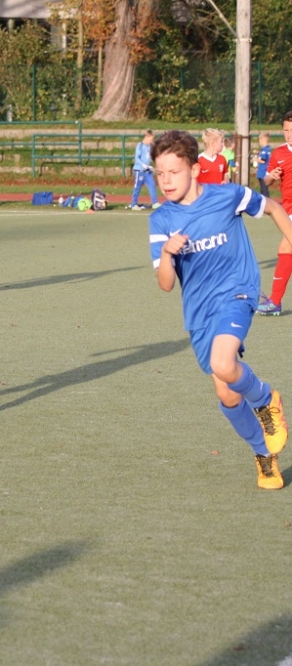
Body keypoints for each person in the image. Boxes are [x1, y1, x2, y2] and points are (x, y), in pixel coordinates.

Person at [149, 129, 291, 489]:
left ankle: (266, 399)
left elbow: (273, 207)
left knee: (224, 364)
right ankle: (263, 453)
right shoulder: (161, 220)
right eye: (160, 173)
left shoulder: (228, 196)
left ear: (195, 169)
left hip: (238, 292)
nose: (166, 180)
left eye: (174, 172)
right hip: (199, 313)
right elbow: (165, 284)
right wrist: (167, 252)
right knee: (226, 392)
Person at [258, 112, 292, 315]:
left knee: (286, 246)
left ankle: (275, 301)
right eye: (286, 130)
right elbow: (267, 180)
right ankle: (275, 301)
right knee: (287, 249)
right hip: (287, 210)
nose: (289, 134)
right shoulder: (278, 153)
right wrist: (272, 175)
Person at [129, 130, 159, 211]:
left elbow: (149, 157)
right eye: (151, 139)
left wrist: (152, 166)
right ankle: (134, 204)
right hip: (139, 171)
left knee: (152, 185)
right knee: (137, 187)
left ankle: (155, 203)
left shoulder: (150, 146)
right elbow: (137, 158)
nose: (152, 141)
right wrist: (144, 165)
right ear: (146, 137)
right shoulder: (140, 145)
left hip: (147, 171)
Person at [253, 131, 272, 199]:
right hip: (264, 172)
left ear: (262, 140)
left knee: (264, 189)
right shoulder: (267, 149)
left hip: (263, 172)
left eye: (259, 140)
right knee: (263, 188)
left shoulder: (264, 150)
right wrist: (258, 153)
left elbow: (263, 161)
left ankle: (266, 201)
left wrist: (256, 159)